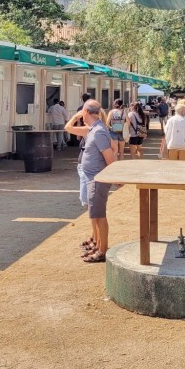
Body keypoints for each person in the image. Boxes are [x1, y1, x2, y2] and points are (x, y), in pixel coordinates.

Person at [65, 100, 116, 263]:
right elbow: (68, 128)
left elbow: (109, 156)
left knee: (99, 216)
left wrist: (115, 177)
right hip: (92, 178)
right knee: (95, 215)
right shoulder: (94, 129)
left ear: (86, 112)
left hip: (97, 178)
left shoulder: (98, 131)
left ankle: (102, 251)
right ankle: (99, 245)